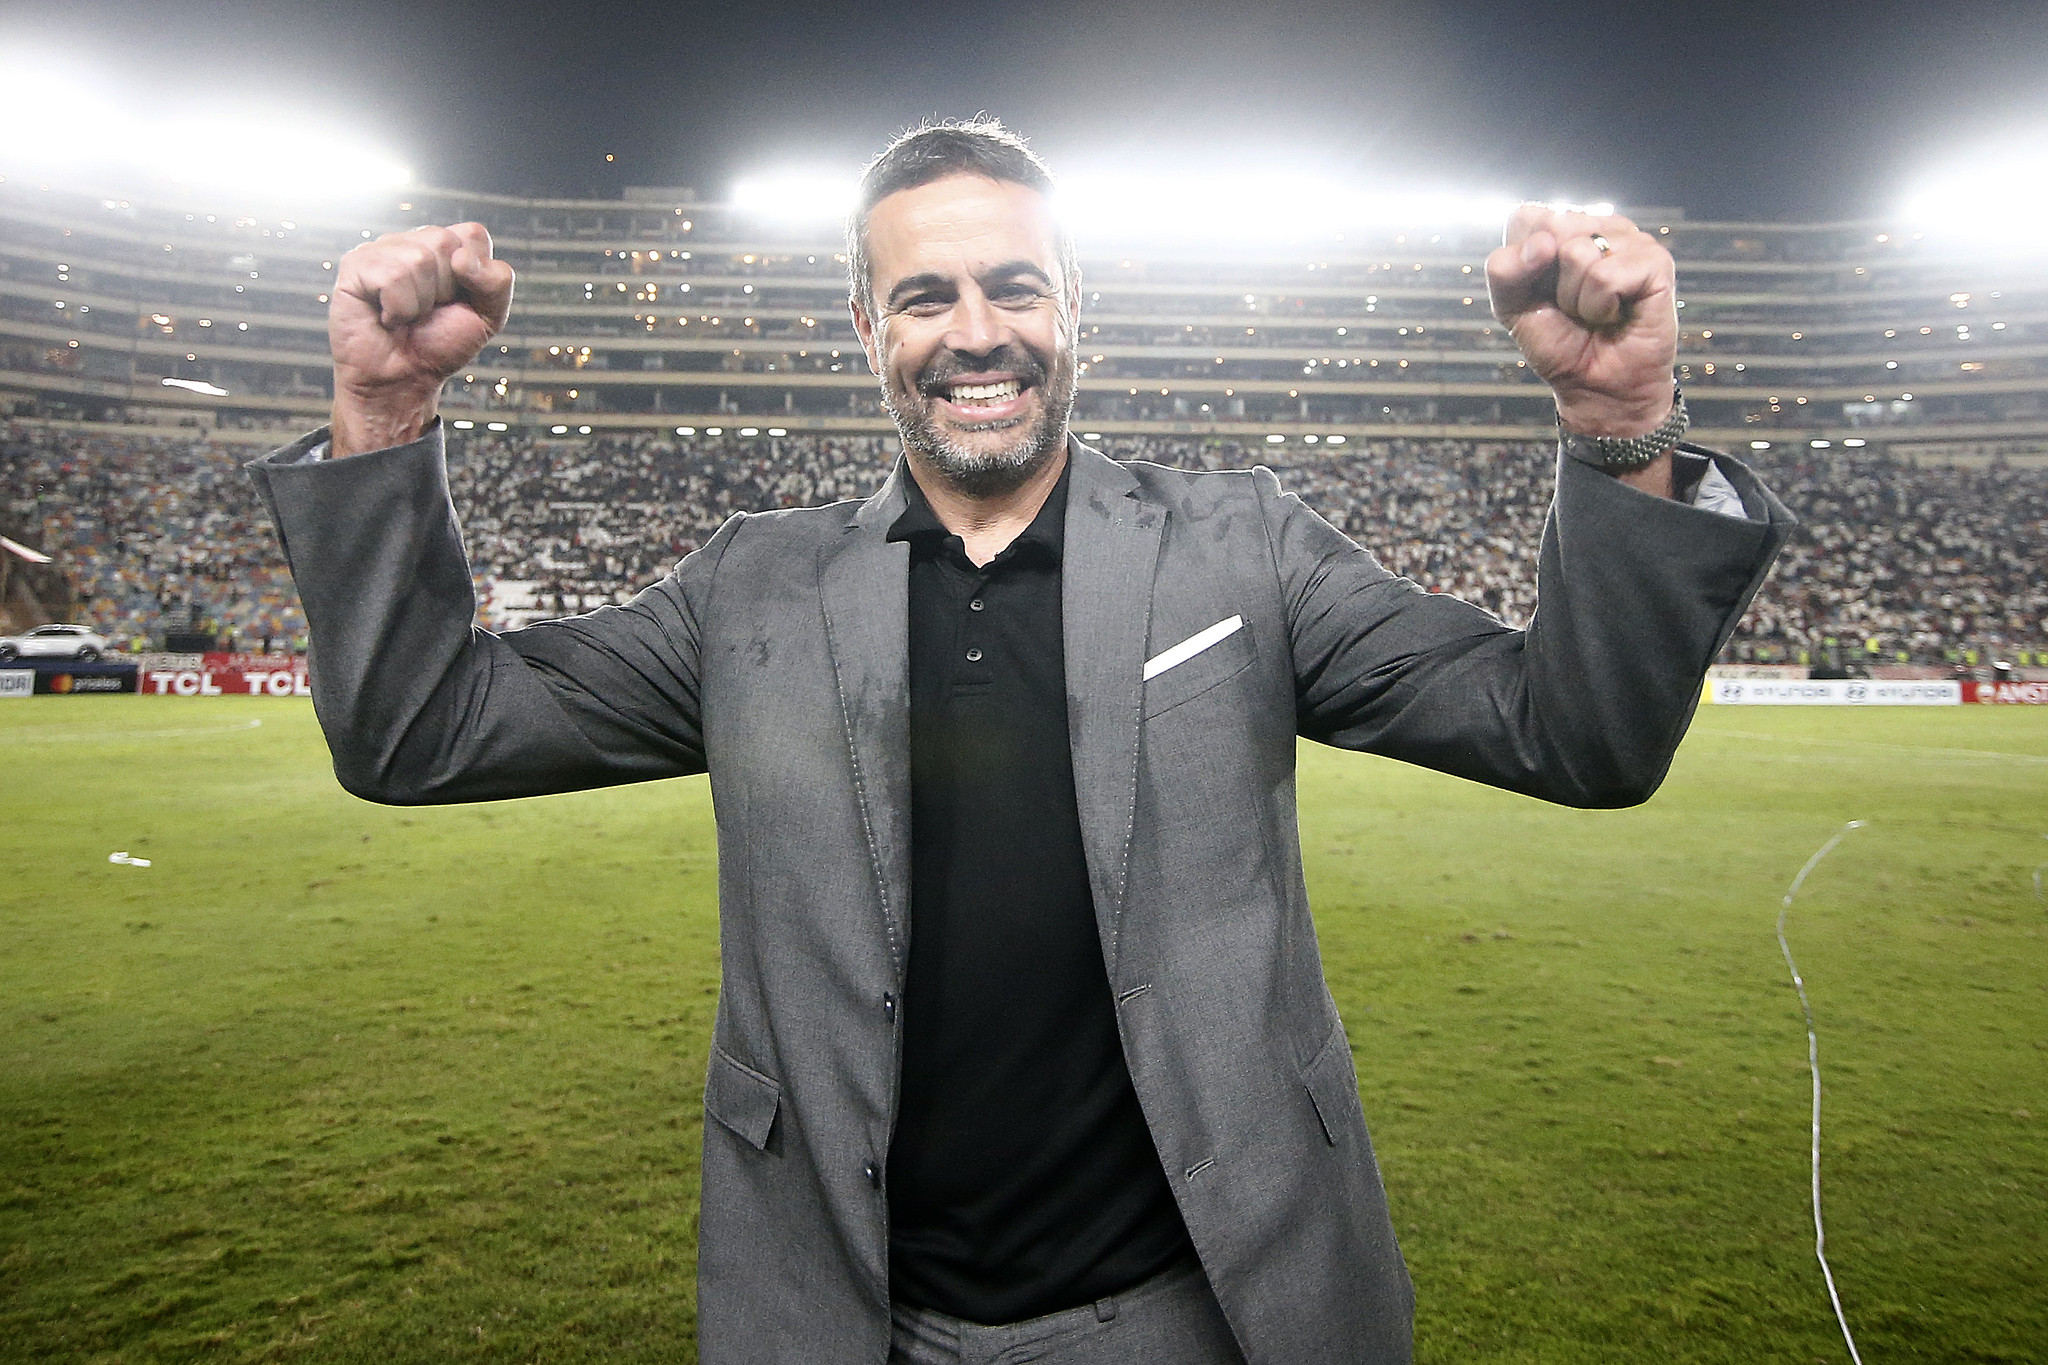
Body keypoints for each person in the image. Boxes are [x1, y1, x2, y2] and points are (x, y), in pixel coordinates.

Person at [250, 119, 1791, 1365]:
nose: (975, 334)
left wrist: (1622, 424)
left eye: (1015, 287)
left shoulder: (1243, 548)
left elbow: (1577, 733)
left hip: (1202, 1307)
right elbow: (418, 732)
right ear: (867, 326)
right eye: (925, 296)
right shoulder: (750, 588)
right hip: (848, 1315)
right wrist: (384, 409)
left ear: (1075, 314)